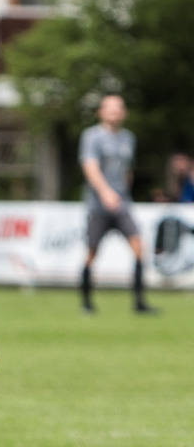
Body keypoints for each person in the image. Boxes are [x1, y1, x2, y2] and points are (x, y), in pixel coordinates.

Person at [79, 94, 156, 314]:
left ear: (124, 113)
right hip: (98, 205)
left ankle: (139, 303)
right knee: (92, 252)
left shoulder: (128, 138)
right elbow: (90, 167)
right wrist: (105, 192)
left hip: (122, 204)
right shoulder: (92, 136)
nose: (114, 111)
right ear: (101, 112)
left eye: (118, 108)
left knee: (139, 247)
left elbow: (127, 170)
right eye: (109, 108)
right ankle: (86, 303)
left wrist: (123, 192)